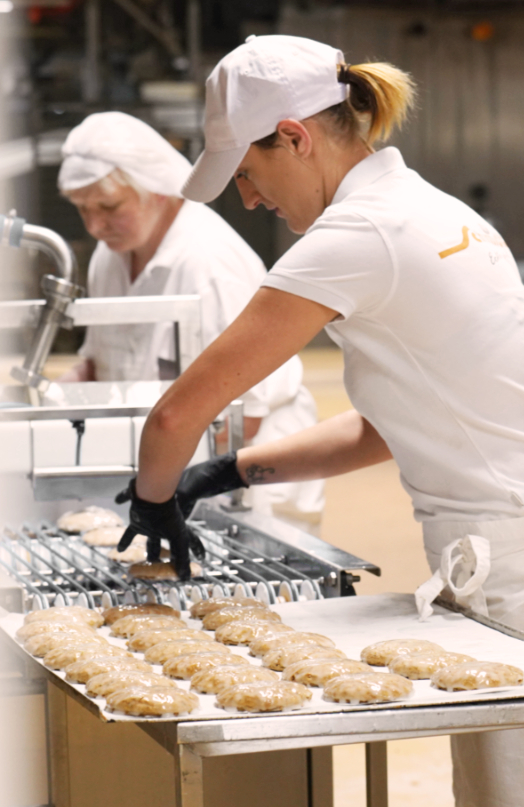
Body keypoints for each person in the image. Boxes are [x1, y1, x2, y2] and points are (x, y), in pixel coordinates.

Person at [115, 35, 524, 807]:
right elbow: (395, 422)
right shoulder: (427, 212)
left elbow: (176, 413)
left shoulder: (355, 238)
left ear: (294, 137)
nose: (249, 196)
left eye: (248, 170)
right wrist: (232, 473)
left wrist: (155, 500)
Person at [58, 111, 325, 530]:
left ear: (158, 192)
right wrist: (51, 401)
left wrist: (152, 479)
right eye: (82, 210)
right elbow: (99, 363)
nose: (94, 226)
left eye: (109, 207)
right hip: (165, 465)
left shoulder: (208, 263)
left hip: (242, 473)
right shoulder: (110, 256)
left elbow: (244, 415)